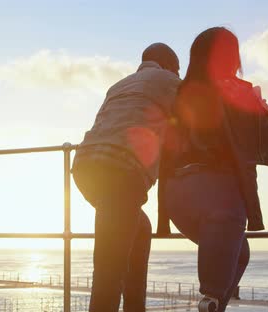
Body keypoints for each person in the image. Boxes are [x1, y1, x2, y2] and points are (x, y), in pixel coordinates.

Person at [158, 27, 268, 312]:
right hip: (219, 196)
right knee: (212, 291)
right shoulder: (237, 90)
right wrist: (264, 111)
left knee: (240, 253)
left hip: (177, 197)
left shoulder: (180, 94)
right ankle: (211, 302)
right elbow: (260, 145)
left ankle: (213, 302)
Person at [72, 42, 181, 311]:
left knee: (138, 228)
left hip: (86, 166)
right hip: (121, 170)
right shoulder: (169, 80)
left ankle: (135, 306)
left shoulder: (120, 84)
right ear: (169, 65)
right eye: (179, 70)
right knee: (109, 270)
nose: (179, 75)